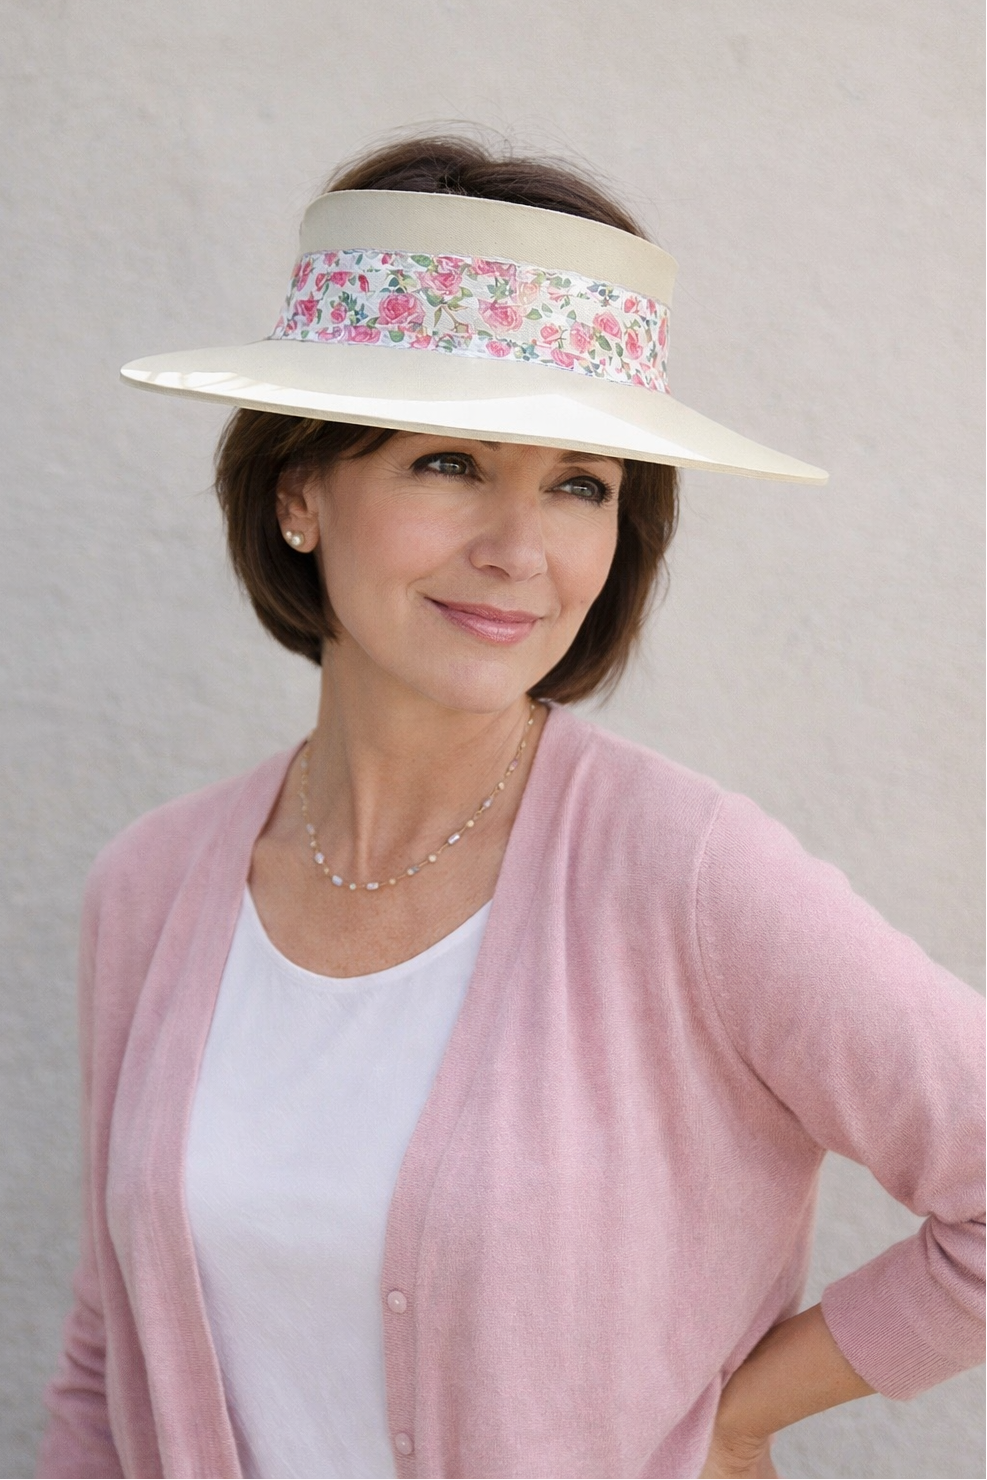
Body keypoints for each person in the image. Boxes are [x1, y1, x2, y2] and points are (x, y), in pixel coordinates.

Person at [38, 136, 984, 1480]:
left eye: (577, 485)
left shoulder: (680, 875)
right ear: (300, 490)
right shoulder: (151, 886)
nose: (518, 551)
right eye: (447, 464)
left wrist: (737, 1412)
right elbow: (107, 1350)